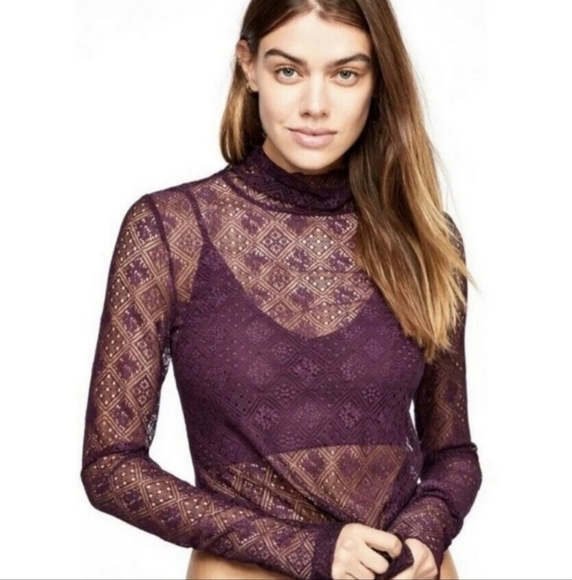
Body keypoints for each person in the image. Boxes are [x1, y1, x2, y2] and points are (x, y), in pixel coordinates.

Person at [80, 1, 483, 579]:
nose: (315, 105)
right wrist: (309, 549)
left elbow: (453, 455)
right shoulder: (171, 231)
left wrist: (423, 535)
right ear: (248, 67)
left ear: (378, 81)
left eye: (345, 73)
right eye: (288, 70)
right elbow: (110, 466)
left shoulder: (425, 239)